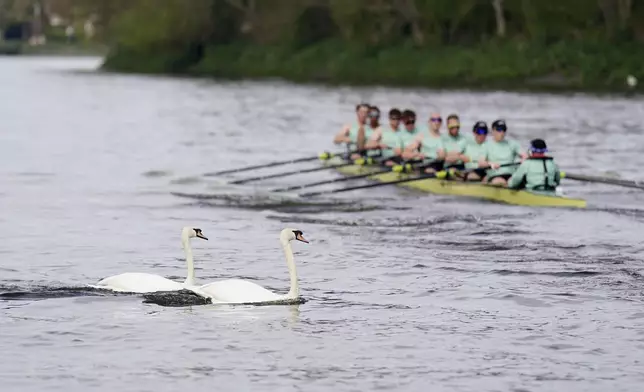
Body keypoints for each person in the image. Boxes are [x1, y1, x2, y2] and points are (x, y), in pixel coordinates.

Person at [479, 119, 526, 186]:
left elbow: (525, 155)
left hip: (511, 175)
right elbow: (481, 163)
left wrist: (524, 159)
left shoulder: (512, 143)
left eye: (504, 130)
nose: (502, 133)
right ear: (493, 131)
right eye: (499, 130)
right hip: (495, 175)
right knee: (500, 182)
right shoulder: (486, 145)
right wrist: (490, 164)